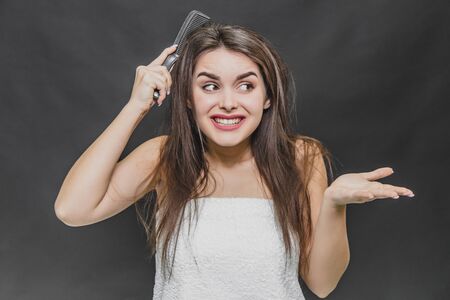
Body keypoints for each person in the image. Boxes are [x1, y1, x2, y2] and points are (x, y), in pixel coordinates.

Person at [54, 22, 415, 299]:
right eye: (210, 86)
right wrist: (136, 106)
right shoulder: (165, 156)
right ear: (188, 98)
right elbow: (72, 210)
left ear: (268, 97)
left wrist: (335, 204)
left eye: (246, 85)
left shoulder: (301, 157)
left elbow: (322, 284)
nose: (228, 102)